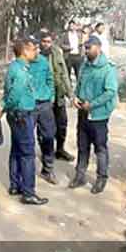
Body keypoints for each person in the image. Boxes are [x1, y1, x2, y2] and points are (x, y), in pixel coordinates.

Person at [0, 37, 48, 206]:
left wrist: (3, 107)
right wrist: (5, 107)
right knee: (27, 154)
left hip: (17, 114)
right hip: (22, 115)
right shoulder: (21, 72)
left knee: (17, 150)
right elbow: (14, 95)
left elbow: (8, 93)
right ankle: (29, 192)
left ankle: (15, 185)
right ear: (25, 51)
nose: (36, 52)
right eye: (34, 49)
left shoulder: (15, 67)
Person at [69, 35, 118, 194]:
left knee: (100, 148)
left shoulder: (108, 68)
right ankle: (80, 176)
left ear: (98, 47)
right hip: (83, 112)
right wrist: (75, 97)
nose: (86, 50)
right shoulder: (85, 65)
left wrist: (93, 104)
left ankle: (101, 178)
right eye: (85, 47)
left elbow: (110, 92)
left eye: (89, 48)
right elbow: (80, 84)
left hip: (98, 116)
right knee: (82, 146)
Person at [42, 31, 74, 162]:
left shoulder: (57, 53)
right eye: (44, 41)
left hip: (59, 94)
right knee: (46, 128)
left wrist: (70, 93)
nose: (46, 44)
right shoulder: (36, 55)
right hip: (45, 96)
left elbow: (64, 74)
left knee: (62, 124)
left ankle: (60, 150)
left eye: (49, 42)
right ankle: (47, 154)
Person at [30, 33, 57, 184]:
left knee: (48, 136)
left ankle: (48, 169)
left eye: (36, 48)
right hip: (29, 105)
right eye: (32, 48)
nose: (35, 51)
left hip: (45, 104)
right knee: (28, 139)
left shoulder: (43, 62)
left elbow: (50, 80)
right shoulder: (23, 63)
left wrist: (51, 96)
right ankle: (26, 171)